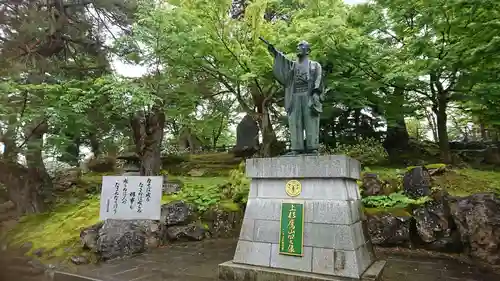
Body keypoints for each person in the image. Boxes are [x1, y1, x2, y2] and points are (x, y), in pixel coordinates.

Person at [267, 40, 323, 155]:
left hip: (309, 95)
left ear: (308, 50)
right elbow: (283, 62)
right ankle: (296, 148)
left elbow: (319, 79)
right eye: (297, 46)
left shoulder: (315, 65)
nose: (298, 47)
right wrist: (275, 52)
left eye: (301, 46)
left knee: (310, 120)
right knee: (295, 121)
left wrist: (316, 93)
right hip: (294, 96)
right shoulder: (292, 65)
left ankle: (312, 147)